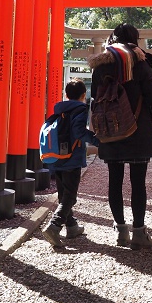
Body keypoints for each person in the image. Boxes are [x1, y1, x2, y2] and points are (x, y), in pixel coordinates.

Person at [88, 23, 152, 249]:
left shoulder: (100, 65)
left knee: (114, 181)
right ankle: (139, 233)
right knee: (138, 183)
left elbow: (95, 100)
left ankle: (120, 231)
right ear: (135, 38)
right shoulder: (140, 62)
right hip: (137, 129)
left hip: (110, 129)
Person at [42, 79, 96, 248]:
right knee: (70, 195)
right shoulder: (80, 109)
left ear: (66, 95)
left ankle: (71, 227)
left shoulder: (59, 110)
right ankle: (54, 226)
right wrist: (97, 140)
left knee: (63, 193)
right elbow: (79, 131)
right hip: (71, 158)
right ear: (83, 95)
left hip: (56, 156)